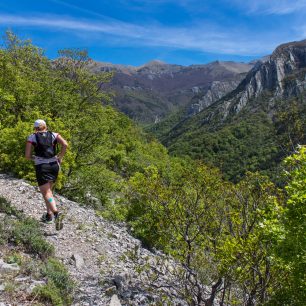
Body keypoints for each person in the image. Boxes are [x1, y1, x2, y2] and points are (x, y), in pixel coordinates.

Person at [25, 119, 68, 230]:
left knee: (47, 192)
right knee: (48, 191)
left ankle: (56, 213)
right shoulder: (54, 135)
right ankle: (48, 216)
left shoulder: (32, 137)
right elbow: (65, 144)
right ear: (45, 126)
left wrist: (35, 158)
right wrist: (60, 157)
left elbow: (27, 156)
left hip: (42, 167)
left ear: (35, 128)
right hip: (54, 166)